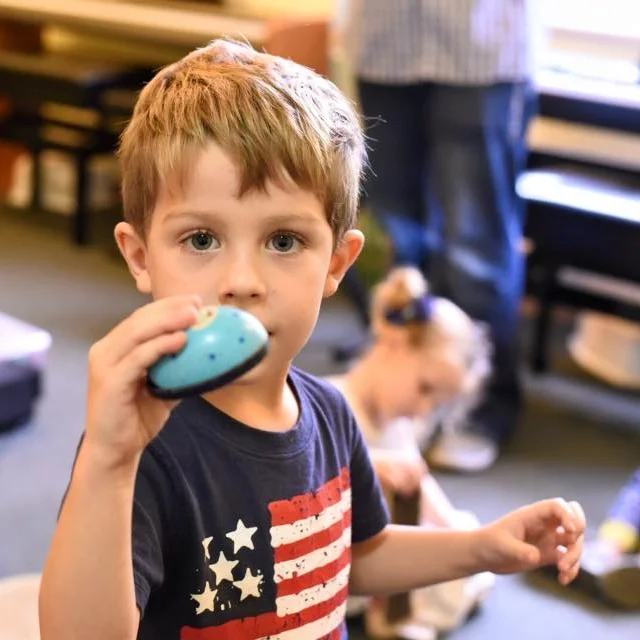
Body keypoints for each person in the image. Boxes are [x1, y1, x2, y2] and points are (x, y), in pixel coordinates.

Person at [38, 38, 584, 640]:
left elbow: (358, 555)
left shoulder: (330, 412)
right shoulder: (140, 443)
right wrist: (108, 464)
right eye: (201, 240)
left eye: (283, 241)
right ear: (141, 256)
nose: (242, 282)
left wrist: (481, 547)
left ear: (336, 264)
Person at [344, 0, 541, 472]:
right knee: (389, 240)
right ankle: (406, 392)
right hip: (385, 38)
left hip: (481, 43)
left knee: (476, 250)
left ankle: (477, 406)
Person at [328, 265, 495, 639]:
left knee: (463, 534)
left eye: (436, 404)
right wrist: (371, 465)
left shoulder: (398, 423)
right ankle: (396, 612)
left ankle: (401, 608)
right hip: (341, 549)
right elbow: (308, 471)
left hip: (389, 541)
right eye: (425, 389)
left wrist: (456, 532)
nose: (423, 411)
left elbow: (421, 481)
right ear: (393, 342)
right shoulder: (332, 403)